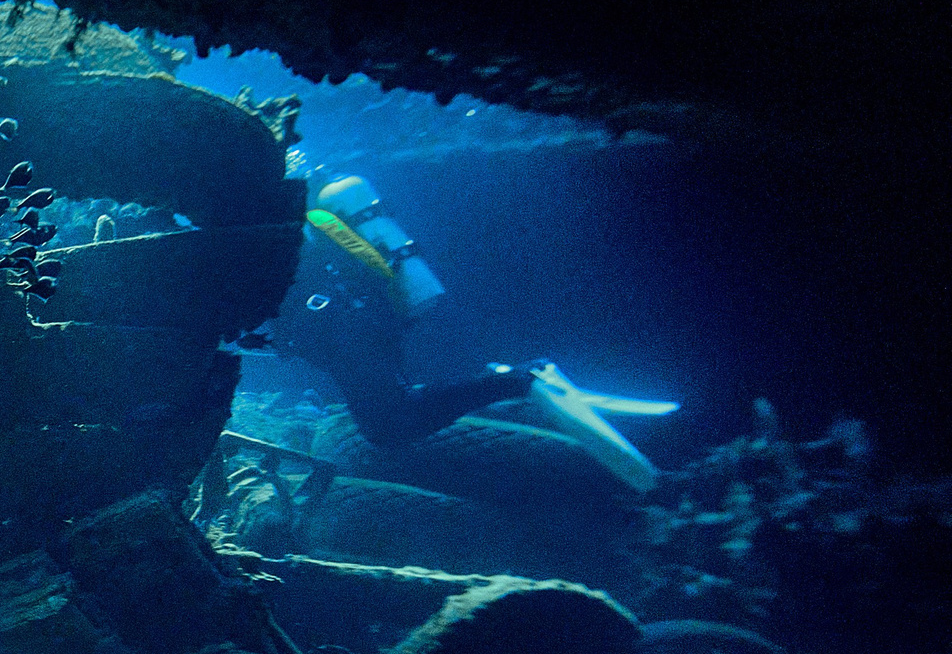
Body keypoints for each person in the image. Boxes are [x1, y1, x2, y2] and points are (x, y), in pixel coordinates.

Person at [272, 174, 674, 490]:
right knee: (393, 419)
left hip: (346, 325)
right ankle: (507, 384)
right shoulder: (287, 223)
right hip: (354, 320)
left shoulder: (278, 228)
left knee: (390, 427)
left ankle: (524, 381)